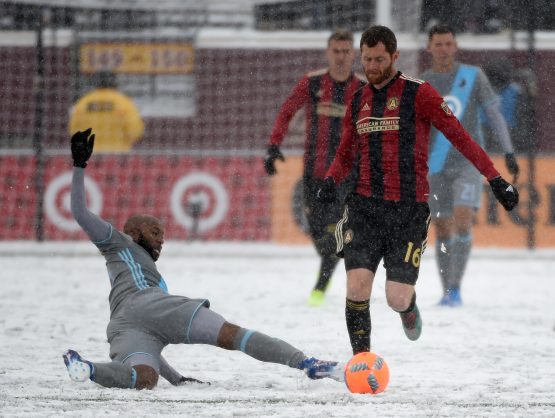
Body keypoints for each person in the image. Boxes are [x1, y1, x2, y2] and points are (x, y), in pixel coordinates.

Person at [62, 129, 342, 390]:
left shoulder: (143, 275)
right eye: (155, 231)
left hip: (123, 326)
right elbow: (79, 212)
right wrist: (79, 166)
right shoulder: (118, 243)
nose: (161, 238)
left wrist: (177, 379)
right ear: (133, 232)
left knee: (144, 378)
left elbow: (153, 330)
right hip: (147, 308)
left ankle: (87, 368)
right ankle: (307, 363)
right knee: (233, 335)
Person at [316, 25, 518, 355]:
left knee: (396, 296)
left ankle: (408, 308)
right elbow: (345, 152)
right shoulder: (358, 100)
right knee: (357, 287)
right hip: (364, 208)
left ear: (395, 57)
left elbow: (461, 137)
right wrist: (330, 180)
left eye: (379, 59)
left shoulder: (418, 93)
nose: (372, 67)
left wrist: (496, 179)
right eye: (366, 59)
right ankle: (363, 362)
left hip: (407, 212)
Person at [264, 29, 366, 307]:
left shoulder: (362, 89)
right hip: (314, 174)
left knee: (334, 235)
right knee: (319, 235)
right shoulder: (313, 83)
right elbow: (287, 111)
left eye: (346, 51)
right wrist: (274, 147)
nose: (341, 56)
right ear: (328, 52)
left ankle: (319, 289)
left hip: (346, 177)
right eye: (337, 51)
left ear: (353, 54)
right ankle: (331, 268)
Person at [422, 25, 520, 307]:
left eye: (448, 43)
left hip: (467, 162)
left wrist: (509, 151)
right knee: (441, 228)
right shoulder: (423, 83)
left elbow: (494, 114)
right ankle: (446, 290)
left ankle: (455, 288)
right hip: (435, 165)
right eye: (438, 44)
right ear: (429, 48)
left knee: (462, 217)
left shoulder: (473, 76)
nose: (443, 49)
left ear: (455, 46)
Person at [69, 71, 145, 153]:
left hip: (89, 156)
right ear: (114, 82)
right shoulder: (123, 102)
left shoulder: (83, 103)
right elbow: (135, 131)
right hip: (117, 156)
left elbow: (73, 129)